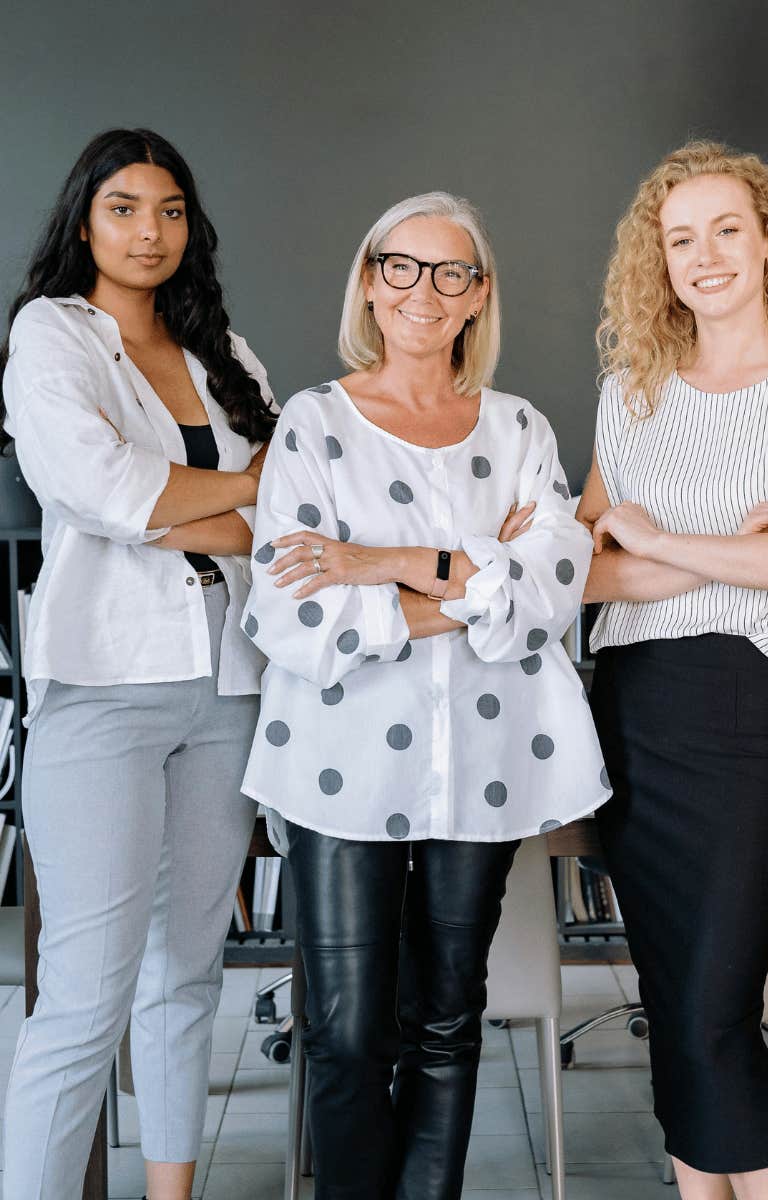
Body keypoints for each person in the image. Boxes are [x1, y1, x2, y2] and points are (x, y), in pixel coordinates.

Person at [240, 190, 609, 1199]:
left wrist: (387, 562)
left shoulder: (519, 427)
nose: (423, 290)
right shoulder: (313, 425)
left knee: (447, 1020)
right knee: (346, 1031)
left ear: (476, 297)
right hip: (340, 762)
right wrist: (478, 580)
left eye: (451, 273)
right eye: (401, 266)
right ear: (369, 279)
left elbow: (553, 591)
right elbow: (291, 618)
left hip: (482, 769)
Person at [0, 128, 276, 1200]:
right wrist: (239, 497)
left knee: (187, 969)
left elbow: (295, 512)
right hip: (105, 689)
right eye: (123, 208)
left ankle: (170, 1193)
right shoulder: (51, 336)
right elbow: (105, 493)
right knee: (84, 993)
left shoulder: (228, 352)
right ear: (84, 220)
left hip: (230, 681)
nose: (148, 231)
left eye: (168, 210)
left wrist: (182, 508)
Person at [577, 140, 768, 1200]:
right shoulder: (628, 395)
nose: (704, 255)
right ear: (660, 263)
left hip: (742, 713)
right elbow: (582, 577)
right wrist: (724, 543)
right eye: (679, 238)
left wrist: (660, 538)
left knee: (714, 1008)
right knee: (670, 999)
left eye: (725, 228)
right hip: (634, 711)